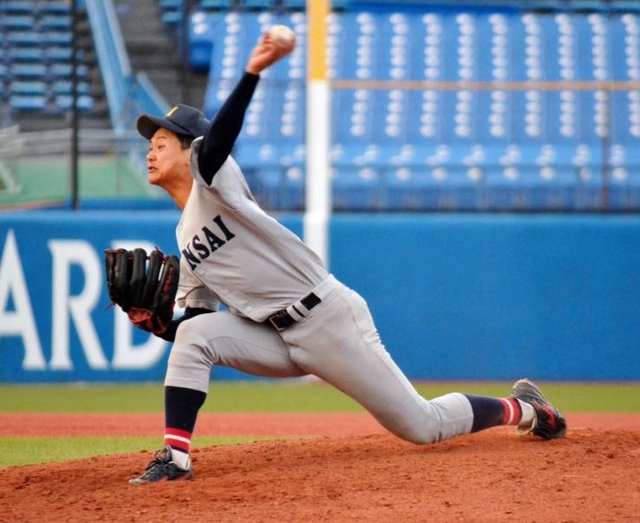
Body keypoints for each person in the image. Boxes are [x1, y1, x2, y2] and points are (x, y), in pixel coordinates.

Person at [128, 31, 566, 484]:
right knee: (195, 335)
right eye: (150, 144)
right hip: (274, 339)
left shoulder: (215, 181)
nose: (151, 151)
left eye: (162, 142)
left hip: (328, 320)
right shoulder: (185, 239)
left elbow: (219, 139)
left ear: (190, 149)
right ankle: (175, 458)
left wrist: (252, 71)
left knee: (422, 425)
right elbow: (195, 324)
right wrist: (158, 325)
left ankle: (525, 408)